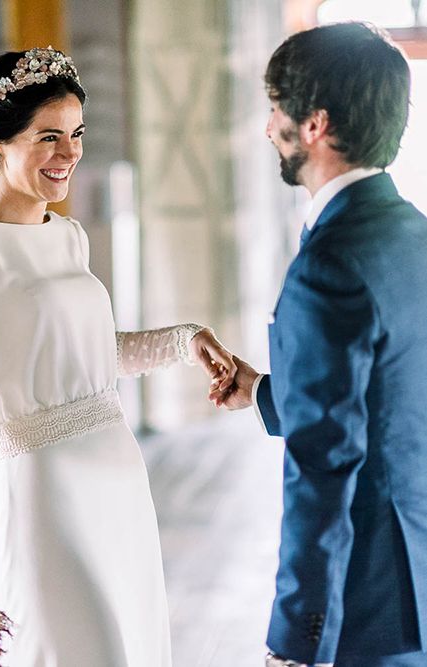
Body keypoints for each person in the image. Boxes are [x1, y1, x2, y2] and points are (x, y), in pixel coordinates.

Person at [0, 47, 235, 665]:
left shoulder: (68, 236)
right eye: (48, 137)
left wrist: (186, 339)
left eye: (77, 134)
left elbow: (92, 357)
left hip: (116, 474)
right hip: (42, 488)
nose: (70, 153)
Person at [211, 23, 427, 667]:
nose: (266, 126)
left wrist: (297, 639)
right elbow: (395, 384)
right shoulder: (412, 233)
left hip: (370, 599)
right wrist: (267, 393)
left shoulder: (327, 265)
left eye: (276, 108)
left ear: (314, 125)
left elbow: (322, 470)